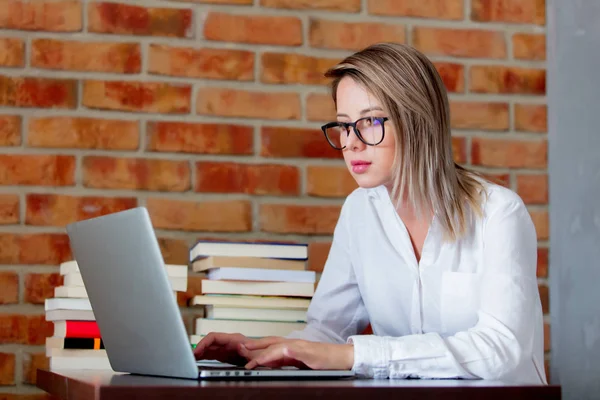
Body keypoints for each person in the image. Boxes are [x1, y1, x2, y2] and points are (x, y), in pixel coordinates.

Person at [193, 42, 547, 384]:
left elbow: (501, 348)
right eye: (344, 125)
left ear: (417, 121)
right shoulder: (359, 212)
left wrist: (354, 355)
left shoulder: (498, 213)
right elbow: (327, 331)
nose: (351, 143)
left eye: (371, 122)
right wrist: (260, 350)